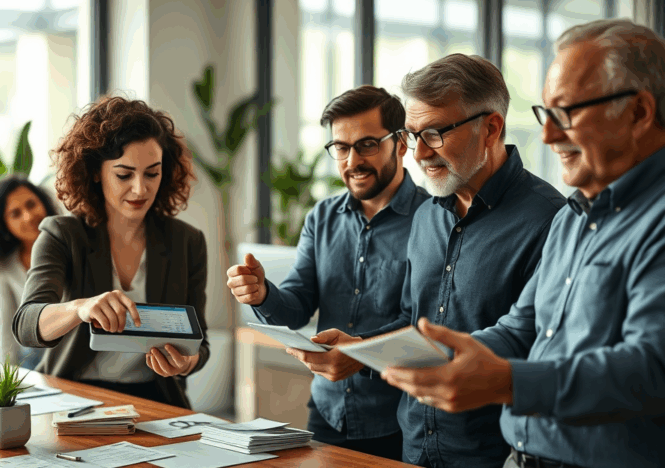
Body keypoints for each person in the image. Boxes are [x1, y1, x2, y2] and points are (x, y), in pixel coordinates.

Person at [381, 19, 665, 468]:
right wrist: (446, 355)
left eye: (567, 113)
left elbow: (652, 368)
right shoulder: (575, 217)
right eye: (545, 115)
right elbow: (522, 328)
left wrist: (509, 382)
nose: (549, 136)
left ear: (639, 113)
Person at [314, 55, 566, 467]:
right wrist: (360, 351)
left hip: (493, 454)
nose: (418, 154)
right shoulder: (427, 214)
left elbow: (534, 343)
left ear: (491, 128)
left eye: (434, 133)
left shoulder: (550, 220)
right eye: (413, 136)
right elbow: (414, 323)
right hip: (413, 446)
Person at [226, 85, 429, 461]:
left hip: (399, 423)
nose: (352, 161)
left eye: (367, 144)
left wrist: (360, 352)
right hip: (328, 413)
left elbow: (422, 323)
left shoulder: (433, 220)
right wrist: (262, 294)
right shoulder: (322, 218)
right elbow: (297, 305)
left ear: (401, 144)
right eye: (341, 147)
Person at [13, 96, 209, 409]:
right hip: (72, 398)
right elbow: (26, 324)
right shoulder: (62, 234)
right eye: (124, 174)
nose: (140, 189)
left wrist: (186, 362)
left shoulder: (187, 242)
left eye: (152, 173)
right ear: (94, 172)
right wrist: (80, 308)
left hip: (155, 401)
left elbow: (200, 341)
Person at [0, 174, 59, 369]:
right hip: (34, 353)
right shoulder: (4, 267)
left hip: (73, 347)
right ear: (5, 225)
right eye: (15, 213)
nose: (28, 216)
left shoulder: (70, 244)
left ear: (43, 202)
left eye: (31, 204)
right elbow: (8, 325)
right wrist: (8, 377)